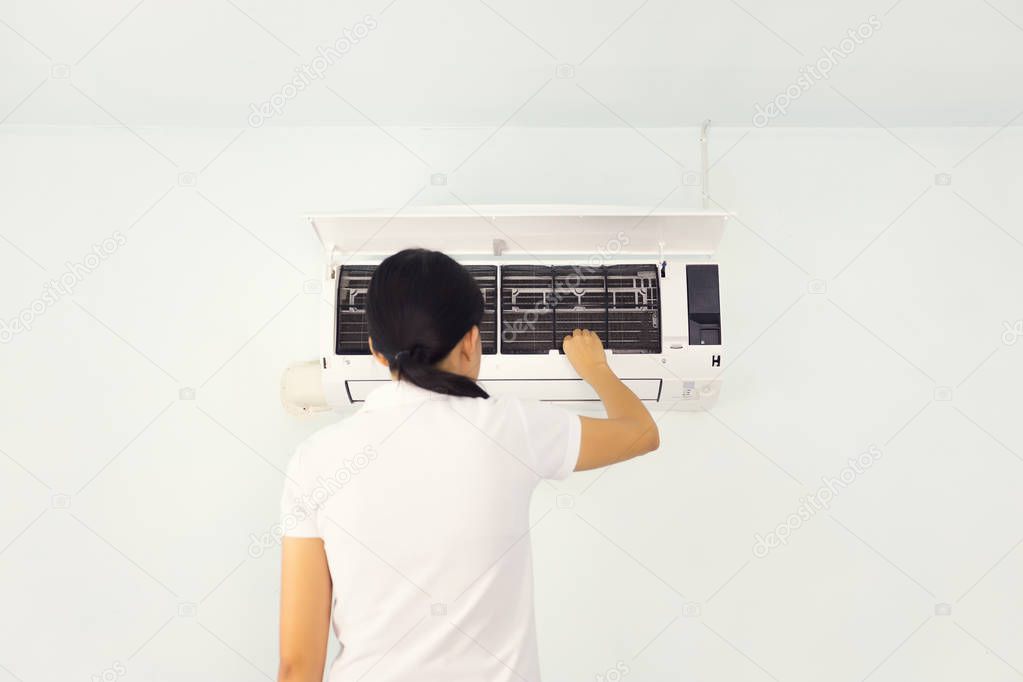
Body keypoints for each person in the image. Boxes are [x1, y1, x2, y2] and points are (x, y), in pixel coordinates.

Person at [278, 249, 660, 682]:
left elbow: (297, 667)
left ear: (375, 351)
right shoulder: (511, 428)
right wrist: (597, 369)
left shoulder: (315, 459)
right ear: (471, 342)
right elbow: (641, 433)